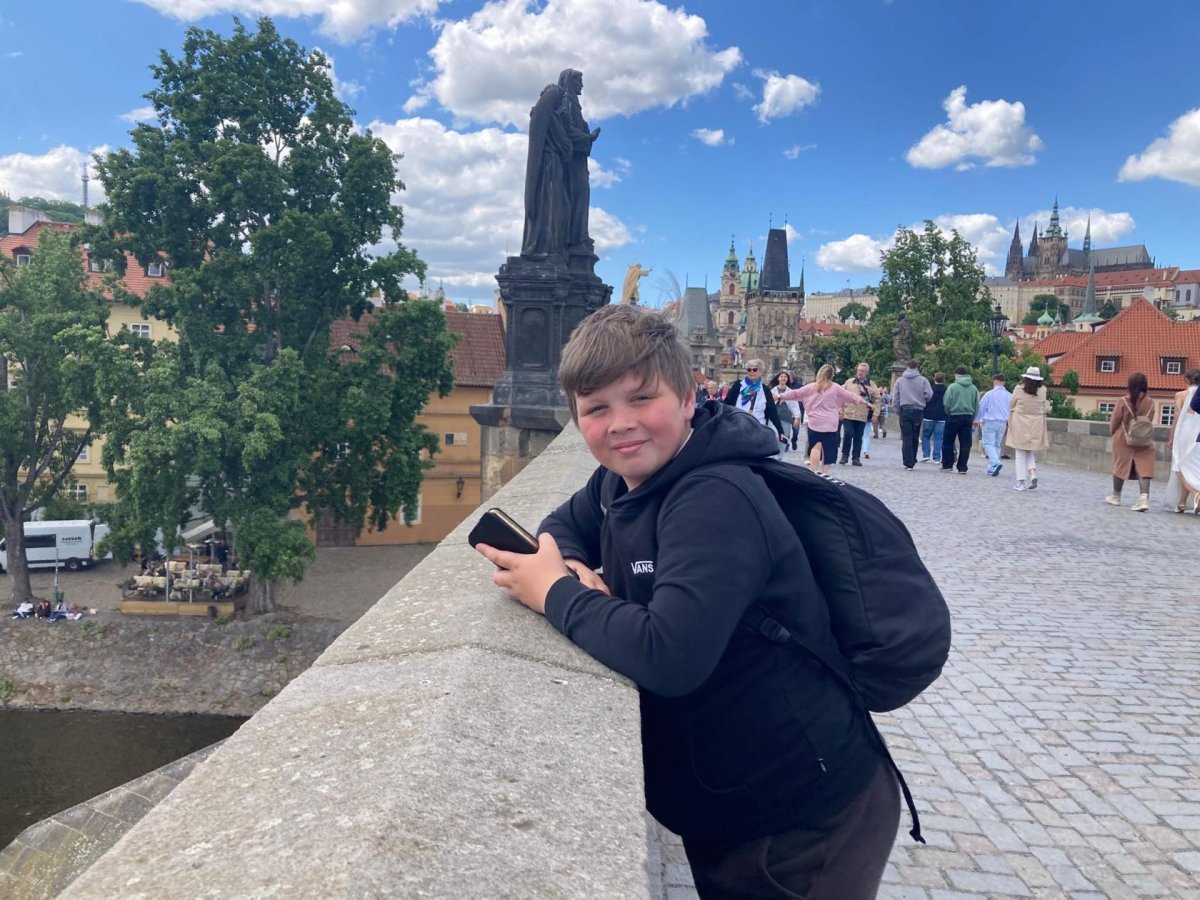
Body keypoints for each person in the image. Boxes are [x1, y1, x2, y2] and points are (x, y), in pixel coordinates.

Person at [474, 305, 899, 898]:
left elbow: (670, 654)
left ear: (689, 398)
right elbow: (563, 524)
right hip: (733, 801)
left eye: (641, 398)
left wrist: (555, 592)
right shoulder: (622, 479)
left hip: (801, 820)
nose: (621, 424)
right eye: (597, 408)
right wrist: (570, 563)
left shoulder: (715, 497)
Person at [777, 364, 868, 475]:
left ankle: (814, 471)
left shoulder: (811, 387)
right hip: (830, 422)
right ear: (832, 375)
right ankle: (825, 473)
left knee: (816, 447)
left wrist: (781, 396)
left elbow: (796, 393)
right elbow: (851, 396)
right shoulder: (835, 387)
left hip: (815, 422)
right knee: (828, 449)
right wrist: (866, 403)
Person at [1107, 372, 1155, 511]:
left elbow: (1116, 420)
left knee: (1120, 465)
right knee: (1144, 468)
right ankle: (1143, 498)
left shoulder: (1123, 400)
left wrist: (1113, 433)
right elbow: (1149, 419)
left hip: (1124, 438)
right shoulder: (1150, 402)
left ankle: (1116, 496)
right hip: (1144, 439)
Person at [724, 359, 787, 453]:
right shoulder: (738, 386)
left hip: (758, 428)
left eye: (755, 369)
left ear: (760, 371)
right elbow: (727, 404)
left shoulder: (765, 390)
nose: (751, 372)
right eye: (749, 370)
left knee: (754, 454)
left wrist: (780, 430)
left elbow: (772, 411)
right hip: (738, 426)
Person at [1005, 366, 1049, 491]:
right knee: (1029, 451)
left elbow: (1012, 403)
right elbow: (1044, 407)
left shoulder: (1019, 389)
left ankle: (1021, 483)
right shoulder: (1043, 390)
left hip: (1020, 422)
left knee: (1020, 453)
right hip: (1036, 424)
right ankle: (1032, 474)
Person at [1164, 369, 1200, 512]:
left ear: (1186, 380)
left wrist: (1171, 436)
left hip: (1185, 432)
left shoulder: (1181, 395)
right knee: (1189, 465)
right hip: (1198, 433)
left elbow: (1177, 415)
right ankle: (1182, 502)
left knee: (1179, 466)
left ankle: (1196, 493)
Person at [892, 360, 933, 470]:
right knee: (915, 435)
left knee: (907, 436)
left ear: (907, 367)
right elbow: (929, 395)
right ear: (917, 367)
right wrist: (922, 400)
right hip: (918, 410)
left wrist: (897, 410)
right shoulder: (923, 380)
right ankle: (913, 458)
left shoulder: (900, 380)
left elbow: (895, 397)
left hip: (905, 410)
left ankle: (907, 461)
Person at [839, 363, 879, 467]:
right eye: (859, 370)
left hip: (862, 414)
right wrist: (840, 410)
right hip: (848, 413)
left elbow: (877, 400)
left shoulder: (872, 385)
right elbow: (841, 396)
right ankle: (845, 455)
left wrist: (875, 414)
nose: (860, 372)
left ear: (867, 372)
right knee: (848, 434)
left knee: (858, 436)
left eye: (862, 371)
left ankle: (856, 458)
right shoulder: (849, 382)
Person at [941, 367, 980, 474]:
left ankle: (947, 465)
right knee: (965, 443)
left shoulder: (952, 387)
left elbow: (946, 402)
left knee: (948, 441)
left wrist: (948, 412)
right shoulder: (973, 388)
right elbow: (977, 405)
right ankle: (962, 467)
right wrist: (972, 416)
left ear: (956, 375)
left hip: (953, 416)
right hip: (968, 417)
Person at [975, 373, 1012, 477]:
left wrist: (976, 420)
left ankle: (995, 462)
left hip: (990, 421)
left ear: (994, 382)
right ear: (1004, 382)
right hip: (1003, 422)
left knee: (987, 443)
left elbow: (981, 408)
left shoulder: (989, 394)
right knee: (997, 444)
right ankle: (992, 467)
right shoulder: (1010, 396)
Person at [770, 371, 803, 451]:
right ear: (778, 379)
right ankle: (774, 454)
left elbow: (794, 406)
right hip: (774, 418)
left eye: (785, 377)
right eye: (781, 377)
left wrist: (796, 418)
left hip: (786, 418)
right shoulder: (772, 391)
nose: (783, 378)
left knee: (783, 438)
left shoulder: (790, 392)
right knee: (774, 437)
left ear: (787, 379)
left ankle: (780, 455)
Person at [920, 372, 947, 464]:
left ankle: (926, 454)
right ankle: (937, 457)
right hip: (942, 416)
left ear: (934, 379)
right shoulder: (946, 390)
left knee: (926, 435)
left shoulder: (930, 389)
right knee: (939, 437)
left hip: (929, 415)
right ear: (943, 379)